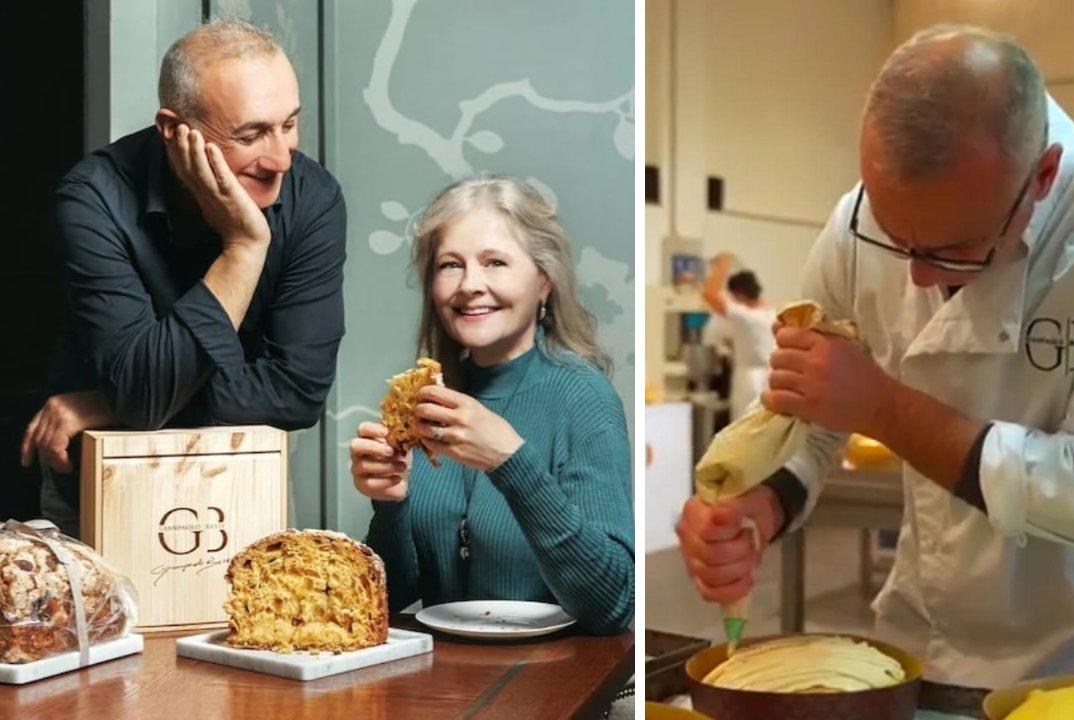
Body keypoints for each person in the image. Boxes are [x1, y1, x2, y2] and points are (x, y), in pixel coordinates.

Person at [677, 24, 1074, 691]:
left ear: (1041, 175)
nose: (923, 279)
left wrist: (881, 405)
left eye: (955, 250)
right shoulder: (855, 226)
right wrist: (762, 504)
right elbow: (808, 419)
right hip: (926, 648)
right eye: (899, 242)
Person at [21, 19, 345, 539]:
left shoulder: (314, 198)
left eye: (289, 124)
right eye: (251, 134)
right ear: (174, 130)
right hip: (102, 486)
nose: (281, 158)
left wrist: (107, 403)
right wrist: (245, 247)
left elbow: (297, 391)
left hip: (241, 479)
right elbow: (145, 397)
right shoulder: (93, 198)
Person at [349, 176, 634, 635]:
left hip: (553, 684)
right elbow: (392, 598)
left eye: (495, 262)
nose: (469, 285)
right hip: (442, 685)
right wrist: (389, 505)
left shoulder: (584, 398)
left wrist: (510, 463)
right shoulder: (428, 401)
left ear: (543, 281)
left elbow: (614, 605)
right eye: (449, 265)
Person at [701, 254, 776, 419]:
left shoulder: (745, 316)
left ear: (740, 295)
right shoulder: (771, 313)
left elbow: (709, 294)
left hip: (749, 381)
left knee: (743, 426)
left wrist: (722, 264)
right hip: (771, 378)